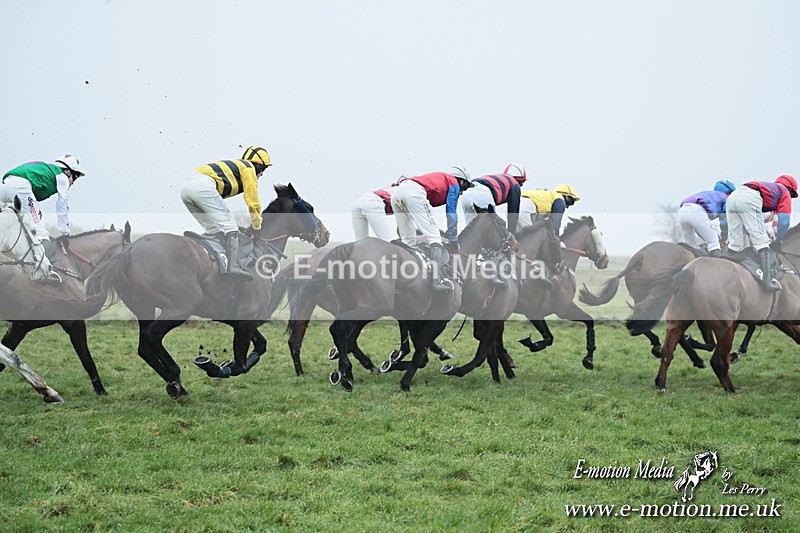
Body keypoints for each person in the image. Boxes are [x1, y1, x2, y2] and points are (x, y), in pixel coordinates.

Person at [180, 145, 272, 280]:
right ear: (257, 165)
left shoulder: (237, 168)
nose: (262, 174)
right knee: (231, 227)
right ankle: (234, 266)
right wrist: (257, 225)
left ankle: (214, 261)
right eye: (263, 168)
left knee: (213, 229)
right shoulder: (248, 168)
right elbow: (253, 201)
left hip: (185, 190)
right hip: (203, 187)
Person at [391, 166, 473, 292]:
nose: (462, 192)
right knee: (435, 238)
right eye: (465, 187)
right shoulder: (454, 183)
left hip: (396, 194)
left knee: (408, 241)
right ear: (461, 181)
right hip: (414, 194)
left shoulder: (440, 179)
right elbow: (451, 212)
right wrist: (452, 236)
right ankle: (436, 281)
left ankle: (403, 278)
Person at [725, 174, 797, 291]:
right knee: (762, 243)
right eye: (792, 194)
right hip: (749, 198)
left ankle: (726, 270)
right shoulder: (784, 192)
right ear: (790, 189)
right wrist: (779, 240)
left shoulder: (769, 191)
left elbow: (761, 221)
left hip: (732, 198)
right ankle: (768, 281)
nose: (791, 197)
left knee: (735, 244)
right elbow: (784, 221)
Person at [1, 155, 84, 248]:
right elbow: (62, 205)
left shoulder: (48, 170)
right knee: (40, 232)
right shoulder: (62, 176)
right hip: (20, 185)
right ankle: (45, 253)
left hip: (6, 184)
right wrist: (65, 233)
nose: (73, 183)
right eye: (75, 177)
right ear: (68, 171)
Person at [677, 179, 736, 257]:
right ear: (729, 193)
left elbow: (701, 229)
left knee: (690, 246)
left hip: (682, 212)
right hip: (697, 212)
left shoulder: (708, 194)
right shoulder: (726, 198)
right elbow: (724, 218)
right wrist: (724, 236)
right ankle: (716, 265)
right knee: (714, 242)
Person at [460, 163, 526, 231]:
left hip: (467, 194)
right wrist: (511, 234)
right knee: (493, 230)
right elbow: (513, 212)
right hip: (481, 193)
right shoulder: (514, 184)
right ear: (520, 180)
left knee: (471, 233)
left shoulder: (501, 178)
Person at [350, 176, 406, 241]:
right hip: (372, 204)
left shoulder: (393, 190)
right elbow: (402, 230)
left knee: (360, 243)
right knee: (388, 241)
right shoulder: (407, 195)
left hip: (358, 203)